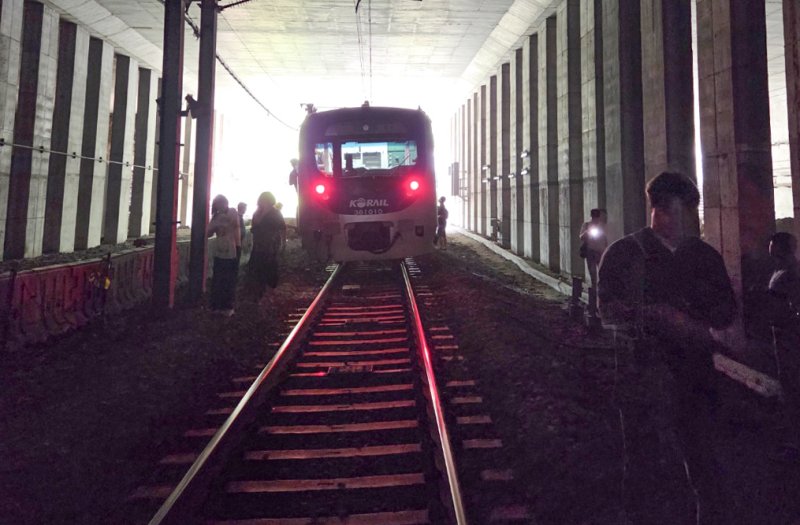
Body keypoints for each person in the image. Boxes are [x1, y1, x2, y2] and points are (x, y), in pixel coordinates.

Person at [598, 172, 736, 524]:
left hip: (691, 380)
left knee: (704, 467)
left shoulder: (703, 256)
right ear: (657, 209)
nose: (683, 220)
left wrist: (692, 316)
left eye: (688, 212)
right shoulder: (625, 254)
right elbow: (607, 311)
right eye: (677, 211)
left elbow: (726, 312)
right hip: (645, 380)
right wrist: (657, 316)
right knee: (647, 469)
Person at [247, 191, 286, 301]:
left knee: (270, 265)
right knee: (258, 266)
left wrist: (283, 242)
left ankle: (269, 289)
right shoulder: (257, 213)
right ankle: (260, 290)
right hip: (259, 244)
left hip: (271, 244)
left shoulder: (275, 213)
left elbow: (282, 228)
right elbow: (254, 228)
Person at [207, 195, 241, 316]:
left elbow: (232, 222)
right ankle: (217, 305)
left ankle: (227, 306)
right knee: (219, 279)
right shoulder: (217, 217)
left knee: (228, 280)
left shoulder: (231, 212)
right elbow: (208, 232)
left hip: (230, 251)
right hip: (220, 251)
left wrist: (217, 223)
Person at [578, 208, 608, 289]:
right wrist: (587, 232)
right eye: (594, 217)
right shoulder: (586, 225)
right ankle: (594, 288)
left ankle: (601, 287)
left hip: (601, 251)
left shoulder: (602, 226)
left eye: (596, 216)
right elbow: (581, 237)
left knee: (602, 270)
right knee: (592, 271)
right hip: (590, 251)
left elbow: (606, 239)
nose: (595, 219)